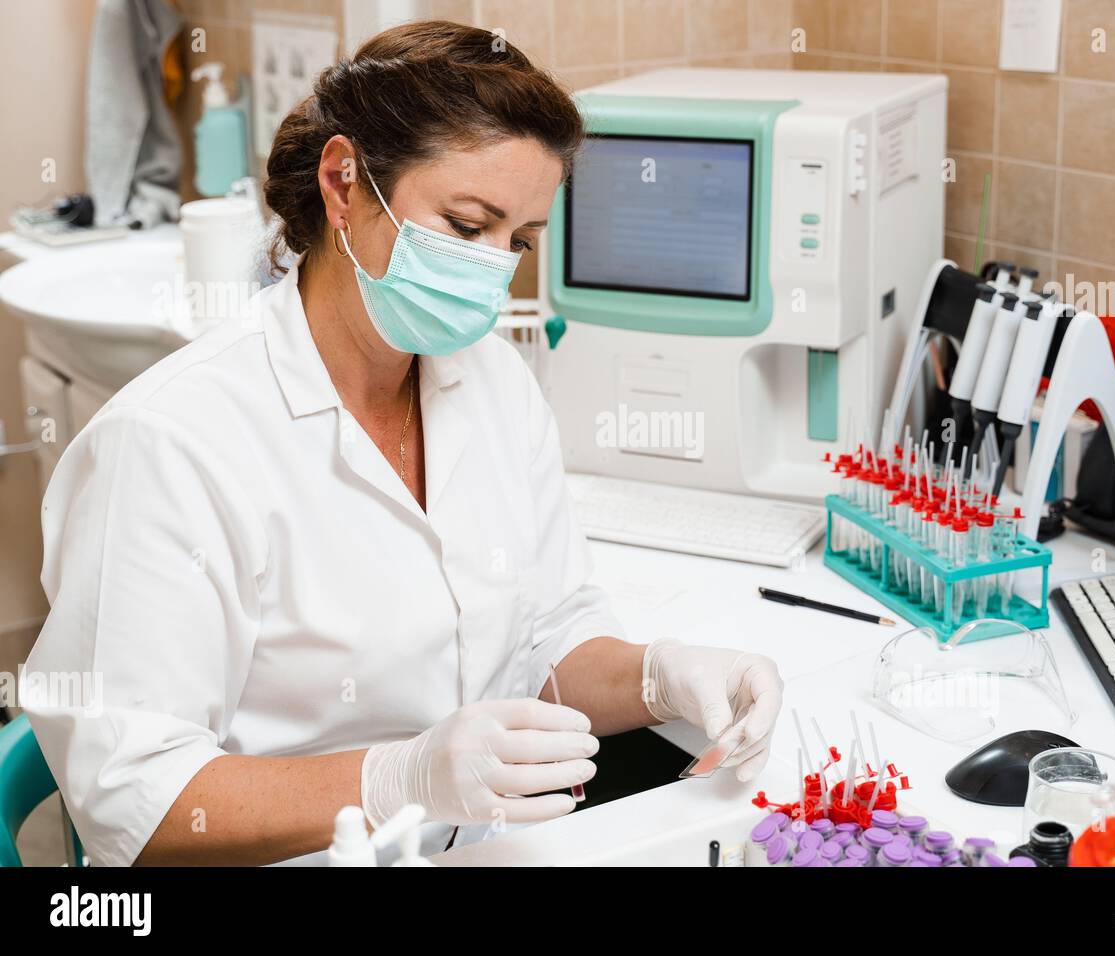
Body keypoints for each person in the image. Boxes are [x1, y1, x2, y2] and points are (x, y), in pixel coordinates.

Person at [24, 20, 782, 866]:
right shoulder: (171, 443)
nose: (496, 268)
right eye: (466, 226)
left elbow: (543, 646)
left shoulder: (492, 384)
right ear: (344, 184)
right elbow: (133, 802)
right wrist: (396, 781)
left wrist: (660, 676)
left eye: (520, 240)